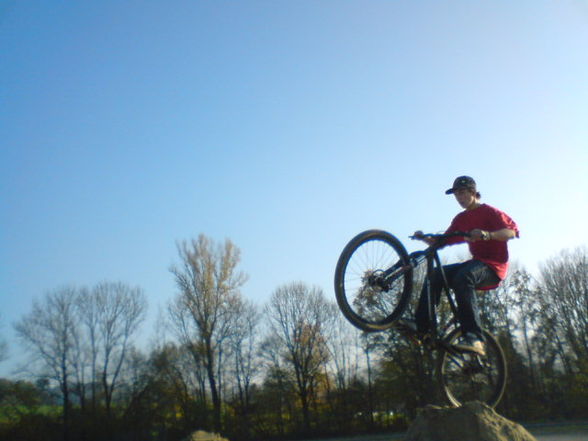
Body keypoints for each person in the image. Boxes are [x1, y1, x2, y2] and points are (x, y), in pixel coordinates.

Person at [401, 176, 519, 356]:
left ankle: (475, 337)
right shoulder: (461, 219)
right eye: (456, 195)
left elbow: (511, 232)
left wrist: (487, 235)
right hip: (475, 264)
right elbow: (441, 241)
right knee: (435, 275)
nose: (459, 198)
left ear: (473, 192)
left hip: (494, 268)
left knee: (463, 276)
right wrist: (424, 238)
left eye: (462, 193)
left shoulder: (490, 212)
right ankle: (422, 326)